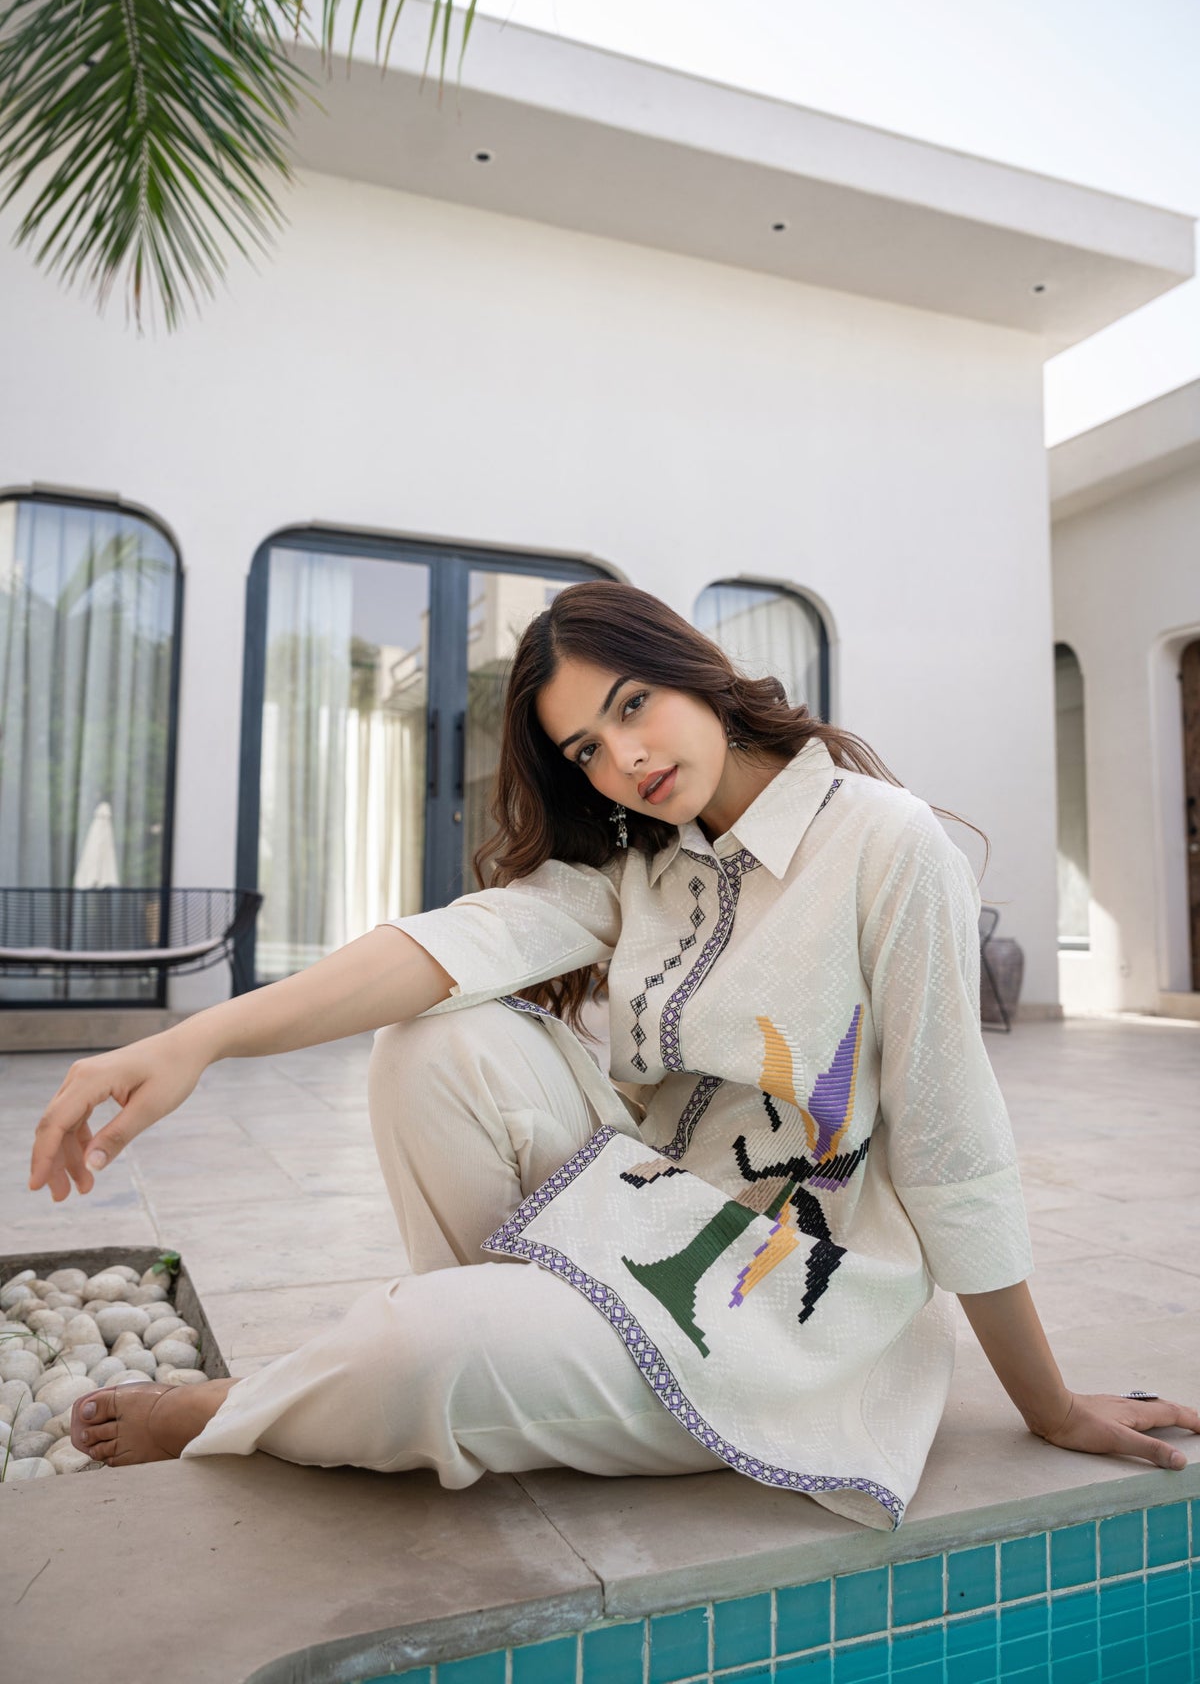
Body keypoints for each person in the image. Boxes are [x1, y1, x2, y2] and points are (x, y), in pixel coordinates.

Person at [27, 582, 1197, 1528]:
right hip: (646, 1214)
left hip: (792, 1305)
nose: (625, 757)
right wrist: (199, 1038)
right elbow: (454, 945)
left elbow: (953, 1145)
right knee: (436, 1042)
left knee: (421, 1347)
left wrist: (1047, 1404)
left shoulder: (887, 846)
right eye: (588, 746)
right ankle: (501, 1358)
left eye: (635, 705)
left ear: (697, 671)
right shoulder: (644, 865)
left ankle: (307, 1393)